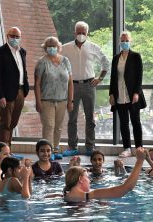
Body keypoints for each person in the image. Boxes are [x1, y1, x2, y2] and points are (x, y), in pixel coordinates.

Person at [62, 21, 110, 157]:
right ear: (74, 32)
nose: (81, 35)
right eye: (79, 32)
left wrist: (100, 78)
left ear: (87, 33)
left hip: (89, 85)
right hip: (72, 86)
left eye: (84, 33)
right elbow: (58, 62)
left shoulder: (93, 47)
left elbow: (106, 63)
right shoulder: (65, 48)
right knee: (72, 118)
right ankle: (72, 146)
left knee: (90, 118)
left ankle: (90, 146)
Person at [34, 36, 73, 160]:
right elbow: (37, 84)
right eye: (49, 46)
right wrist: (38, 101)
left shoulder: (66, 61)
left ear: (58, 47)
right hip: (46, 101)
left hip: (62, 100)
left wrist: (70, 100)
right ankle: (47, 152)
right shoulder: (42, 62)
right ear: (45, 48)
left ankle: (55, 150)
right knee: (49, 126)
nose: (52, 48)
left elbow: (70, 82)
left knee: (58, 126)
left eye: (54, 46)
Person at [109, 31, 147, 158]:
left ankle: (138, 148)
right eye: (122, 40)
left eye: (126, 40)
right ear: (120, 41)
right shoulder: (115, 58)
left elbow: (139, 77)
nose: (124, 42)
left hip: (132, 95)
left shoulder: (136, 56)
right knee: (123, 123)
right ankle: (127, 148)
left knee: (135, 121)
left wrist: (136, 92)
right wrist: (111, 94)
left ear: (130, 41)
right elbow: (113, 78)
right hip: (120, 94)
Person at [0, 27, 29, 146]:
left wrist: (25, 90)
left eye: (17, 36)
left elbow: (23, 70)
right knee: (5, 123)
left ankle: (8, 149)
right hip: (6, 94)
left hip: (20, 91)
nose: (15, 38)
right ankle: (3, 152)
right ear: (7, 36)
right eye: (12, 36)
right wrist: (0, 96)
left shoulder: (22, 52)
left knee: (13, 123)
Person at [63, 147, 145, 202]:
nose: (89, 181)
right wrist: (140, 161)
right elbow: (126, 188)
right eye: (87, 177)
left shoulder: (64, 196)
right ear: (80, 179)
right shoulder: (93, 195)